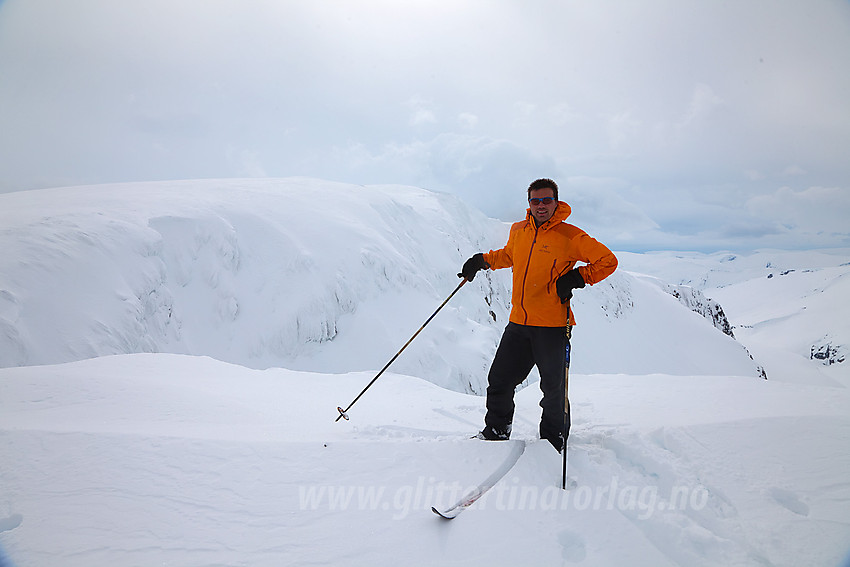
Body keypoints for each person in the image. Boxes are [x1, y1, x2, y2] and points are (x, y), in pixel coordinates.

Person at [459, 178, 617, 452]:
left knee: (553, 390)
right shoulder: (518, 230)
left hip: (553, 326)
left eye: (546, 200)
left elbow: (607, 261)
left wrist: (579, 276)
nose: (541, 206)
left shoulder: (571, 236)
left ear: (556, 202)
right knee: (499, 381)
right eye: (535, 200)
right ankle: (496, 432)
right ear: (529, 203)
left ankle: (553, 442)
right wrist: (482, 261)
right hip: (519, 322)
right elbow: (510, 256)